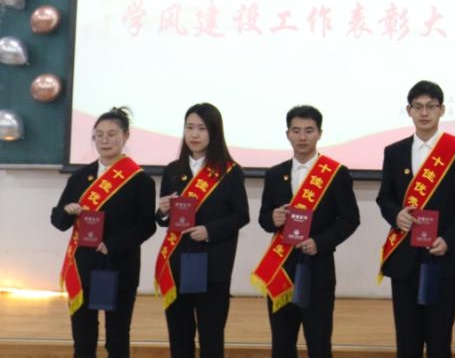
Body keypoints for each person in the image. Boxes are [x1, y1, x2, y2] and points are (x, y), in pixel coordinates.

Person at [377, 80, 455, 358]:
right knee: (407, 341)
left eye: (431, 106)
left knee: (439, 340)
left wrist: (449, 239)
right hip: (404, 257)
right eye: (418, 107)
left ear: (441, 110)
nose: (424, 113)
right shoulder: (394, 152)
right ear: (409, 110)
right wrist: (396, 215)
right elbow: (384, 198)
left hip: (443, 255)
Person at [253, 105, 360, 358]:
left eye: (309, 131)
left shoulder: (336, 174)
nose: (302, 137)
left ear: (320, 133)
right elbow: (264, 218)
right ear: (287, 134)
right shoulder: (275, 174)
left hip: (318, 267)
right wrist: (273, 218)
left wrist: (320, 242)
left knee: (319, 342)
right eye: (296, 130)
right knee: (282, 343)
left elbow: (350, 219)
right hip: (281, 267)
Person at [51, 106, 157, 358]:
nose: (105, 140)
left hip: (119, 264)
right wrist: (67, 211)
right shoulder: (80, 177)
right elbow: (58, 220)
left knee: (117, 338)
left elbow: (147, 225)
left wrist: (113, 244)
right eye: (99, 135)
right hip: (83, 265)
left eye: (111, 134)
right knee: (83, 339)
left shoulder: (140, 180)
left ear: (125, 136)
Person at [155, 102, 250, 358]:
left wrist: (209, 230)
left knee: (211, 338)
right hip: (178, 263)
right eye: (189, 127)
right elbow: (164, 220)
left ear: (214, 132)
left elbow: (241, 215)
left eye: (201, 128)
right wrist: (163, 210)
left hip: (213, 265)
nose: (194, 134)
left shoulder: (229, 171)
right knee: (179, 337)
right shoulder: (172, 170)